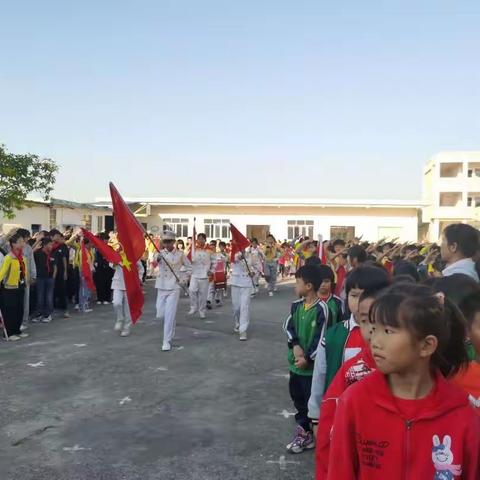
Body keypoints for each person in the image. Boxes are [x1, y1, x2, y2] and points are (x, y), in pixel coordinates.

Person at [327, 283, 480, 479]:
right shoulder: (355, 401)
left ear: (426, 345)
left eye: (388, 331)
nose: (375, 341)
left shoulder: (462, 415)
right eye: (374, 328)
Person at [315, 287, 390, 479]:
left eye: (387, 326)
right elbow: (328, 435)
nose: (373, 330)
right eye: (366, 321)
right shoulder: (351, 374)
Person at [308, 265, 390, 427]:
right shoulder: (334, 336)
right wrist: (316, 418)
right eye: (354, 295)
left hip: (382, 419)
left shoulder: (395, 336)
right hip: (341, 418)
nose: (361, 303)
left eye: (368, 296)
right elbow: (319, 377)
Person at [283, 265, 329, 454]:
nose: (295, 285)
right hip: (295, 366)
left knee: (312, 402)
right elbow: (287, 326)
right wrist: (294, 345)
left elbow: (321, 338)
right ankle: (305, 430)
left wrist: (308, 359)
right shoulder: (296, 305)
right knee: (298, 398)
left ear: (308, 286)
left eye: (298, 282)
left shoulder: (321, 309)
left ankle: (308, 431)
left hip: (311, 368)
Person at [155, 230, 191, 351]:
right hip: (161, 285)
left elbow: (190, 268)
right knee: (160, 315)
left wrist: (184, 279)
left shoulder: (180, 254)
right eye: (165, 242)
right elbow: (155, 262)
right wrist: (158, 258)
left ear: (174, 242)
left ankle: (167, 341)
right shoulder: (159, 253)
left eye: (169, 241)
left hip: (174, 286)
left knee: (169, 315)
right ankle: (170, 325)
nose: (167, 244)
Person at [0, 233, 29, 340]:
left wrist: (26, 281)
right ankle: (8, 333)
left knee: (19, 310)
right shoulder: (9, 258)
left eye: (23, 241)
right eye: (20, 242)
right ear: (13, 244)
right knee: (10, 311)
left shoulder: (22, 257)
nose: (23, 243)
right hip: (9, 289)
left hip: (20, 287)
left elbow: (24, 272)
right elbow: (1, 273)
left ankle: (17, 330)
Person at [230, 249, 256, 341]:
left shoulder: (251, 255)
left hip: (246, 283)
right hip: (235, 282)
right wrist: (240, 256)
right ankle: (237, 323)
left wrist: (253, 272)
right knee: (236, 307)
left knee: (244, 306)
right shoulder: (234, 253)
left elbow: (256, 266)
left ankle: (243, 330)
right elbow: (231, 260)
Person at [188, 233, 214, 319]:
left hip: (205, 275)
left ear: (205, 240)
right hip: (195, 274)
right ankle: (193, 307)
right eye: (199, 239)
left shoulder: (210, 250)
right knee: (191, 290)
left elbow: (215, 262)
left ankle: (202, 311)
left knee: (203, 295)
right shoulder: (194, 249)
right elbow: (188, 260)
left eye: (202, 239)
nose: (200, 240)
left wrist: (211, 271)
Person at [16, 228, 37, 330]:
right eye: (27, 237)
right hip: (13, 279)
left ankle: (24, 321)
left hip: (25, 277)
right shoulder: (11, 246)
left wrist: (33, 276)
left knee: (25, 301)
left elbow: (32, 262)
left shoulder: (28, 248)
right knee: (16, 301)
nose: (28, 239)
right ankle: (15, 321)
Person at [33, 237, 57, 323]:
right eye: (50, 244)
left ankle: (48, 314)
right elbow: (29, 256)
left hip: (50, 278)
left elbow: (55, 266)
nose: (51, 246)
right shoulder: (37, 253)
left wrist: (53, 277)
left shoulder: (52, 254)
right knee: (40, 296)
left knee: (49, 297)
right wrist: (36, 244)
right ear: (45, 245)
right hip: (40, 278)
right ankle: (39, 314)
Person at [50, 230, 71, 318]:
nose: (58, 237)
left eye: (59, 236)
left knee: (62, 290)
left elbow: (64, 259)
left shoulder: (62, 246)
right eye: (57, 236)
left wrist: (65, 271)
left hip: (61, 271)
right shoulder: (49, 245)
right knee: (52, 291)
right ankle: (52, 309)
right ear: (52, 236)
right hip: (50, 271)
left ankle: (65, 309)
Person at [316, 264, 344, 328]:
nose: (323, 284)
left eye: (326, 281)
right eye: (320, 281)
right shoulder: (309, 301)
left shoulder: (337, 302)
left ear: (332, 282)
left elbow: (341, 323)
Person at [93, 232, 114, 305]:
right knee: (99, 283)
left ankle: (106, 298)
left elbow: (112, 257)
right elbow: (96, 259)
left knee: (107, 283)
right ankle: (100, 298)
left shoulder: (110, 248)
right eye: (105, 239)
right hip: (99, 268)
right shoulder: (97, 248)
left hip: (108, 269)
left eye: (107, 239)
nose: (107, 241)